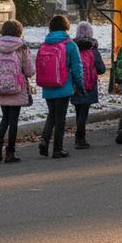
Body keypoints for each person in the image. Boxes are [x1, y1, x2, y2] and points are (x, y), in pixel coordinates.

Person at [37, 15, 84, 159]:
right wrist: (80, 85)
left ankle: (44, 139)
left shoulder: (45, 44)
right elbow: (77, 67)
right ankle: (58, 148)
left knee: (51, 114)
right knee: (60, 118)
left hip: (48, 86)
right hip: (63, 86)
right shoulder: (70, 44)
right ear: (66, 27)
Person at [0, 19, 35, 163]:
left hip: (1, 88)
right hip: (17, 89)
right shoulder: (22, 47)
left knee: (5, 119)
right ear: (19, 32)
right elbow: (29, 70)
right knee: (13, 121)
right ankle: (10, 152)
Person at [72, 20, 106, 149]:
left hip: (76, 83)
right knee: (84, 112)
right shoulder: (93, 48)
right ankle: (80, 137)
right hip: (89, 84)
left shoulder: (72, 47)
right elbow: (101, 69)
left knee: (78, 110)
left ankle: (79, 136)